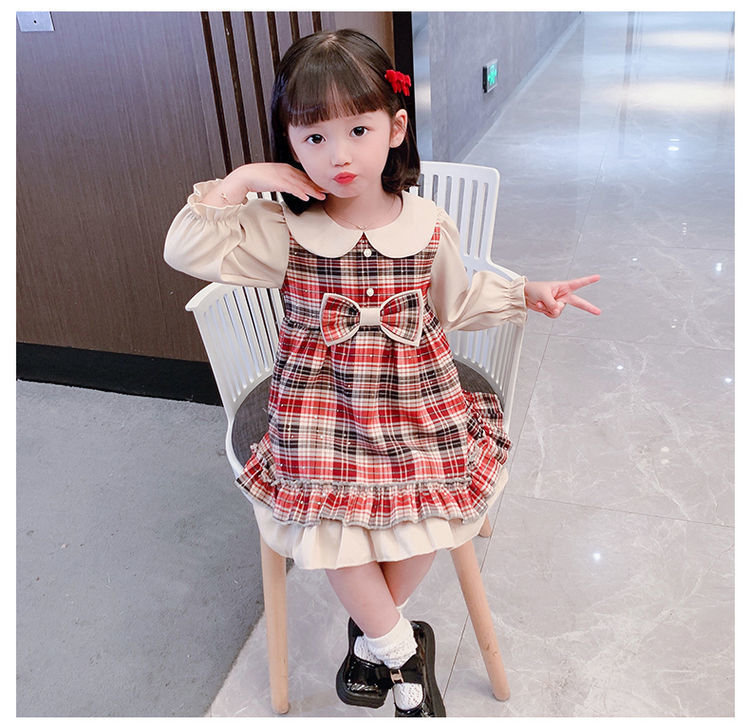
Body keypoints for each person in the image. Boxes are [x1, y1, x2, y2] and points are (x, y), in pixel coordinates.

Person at [164, 28, 600, 717]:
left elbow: (457, 301)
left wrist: (527, 291)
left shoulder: (427, 224)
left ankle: (371, 643)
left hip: (414, 399)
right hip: (320, 406)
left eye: (358, 130)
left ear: (395, 129)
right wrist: (243, 181)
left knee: (431, 516)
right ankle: (401, 654)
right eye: (313, 137)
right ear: (290, 143)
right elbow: (185, 249)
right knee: (333, 528)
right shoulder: (281, 229)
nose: (338, 155)